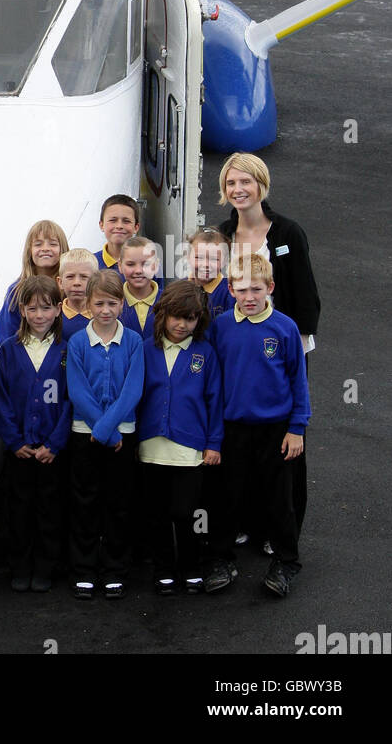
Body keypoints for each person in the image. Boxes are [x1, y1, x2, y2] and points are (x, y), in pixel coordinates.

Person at [217, 150, 319, 533]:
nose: (238, 189)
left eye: (246, 181)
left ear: (262, 185)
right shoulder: (221, 235)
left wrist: (296, 347)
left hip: (280, 350)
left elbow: (306, 296)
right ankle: (243, 521)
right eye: (231, 183)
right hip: (236, 349)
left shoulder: (287, 234)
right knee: (239, 445)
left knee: (285, 444)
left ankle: (283, 529)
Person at [205, 254, 310, 598]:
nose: (249, 297)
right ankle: (222, 558)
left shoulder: (284, 328)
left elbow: (298, 381)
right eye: (242, 289)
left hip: (276, 430)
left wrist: (297, 427)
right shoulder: (220, 327)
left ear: (270, 288)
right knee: (227, 497)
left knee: (280, 499)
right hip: (232, 427)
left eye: (256, 289)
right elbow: (214, 381)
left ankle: (286, 561)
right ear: (230, 289)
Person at [137, 281, 222, 594]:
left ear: (199, 321)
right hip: (150, 448)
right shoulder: (145, 349)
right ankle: (163, 570)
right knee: (156, 514)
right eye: (176, 316)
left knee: (186, 513)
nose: (181, 324)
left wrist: (213, 444)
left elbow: (215, 400)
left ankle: (191, 567)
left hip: (190, 450)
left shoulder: (205, 354)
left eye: (190, 318)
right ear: (163, 314)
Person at [66, 269, 144, 600]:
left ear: (122, 304)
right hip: (87, 435)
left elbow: (132, 390)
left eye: (113, 303)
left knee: (118, 502)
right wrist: (102, 430)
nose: (106, 310)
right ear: (88, 305)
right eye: (99, 303)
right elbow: (77, 391)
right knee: (85, 502)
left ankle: (115, 569)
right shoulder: (78, 342)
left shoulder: (134, 341)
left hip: (121, 436)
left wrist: (110, 431)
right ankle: (84, 569)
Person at [0, 274, 71, 593]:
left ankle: (46, 567)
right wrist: (14, 441)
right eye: (33, 308)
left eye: (47, 308)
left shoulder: (66, 351)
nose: (40, 315)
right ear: (22, 310)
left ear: (58, 310)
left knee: (50, 510)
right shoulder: (10, 351)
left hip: (51, 451)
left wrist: (54, 443)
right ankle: (20, 566)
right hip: (21, 450)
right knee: (20, 509)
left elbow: (71, 400)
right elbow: (2, 398)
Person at [0, 220, 69, 345]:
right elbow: (6, 334)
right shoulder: (16, 291)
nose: (45, 249)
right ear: (29, 250)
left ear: (63, 249)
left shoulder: (71, 289)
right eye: (38, 244)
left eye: (52, 244)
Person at [118, 235, 164, 341]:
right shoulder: (111, 302)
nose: (138, 270)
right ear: (120, 266)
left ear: (156, 266)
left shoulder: (170, 302)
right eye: (130, 264)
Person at [185, 226, 232, 320]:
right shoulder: (179, 289)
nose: (206, 264)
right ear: (188, 256)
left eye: (214, 259)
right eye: (199, 258)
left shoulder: (230, 293)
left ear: (225, 260)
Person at [94, 194, 140, 271]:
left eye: (126, 221)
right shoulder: (90, 265)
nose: (119, 226)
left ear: (136, 227)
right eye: (113, 220)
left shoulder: (149, 265)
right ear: (101, 225)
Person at [59, 249, 96, 341]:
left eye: (84, 277)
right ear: (60, 282)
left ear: (95, 282)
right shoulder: (52, 317)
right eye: (70, 277)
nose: (77, 283)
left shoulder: (104, 315)